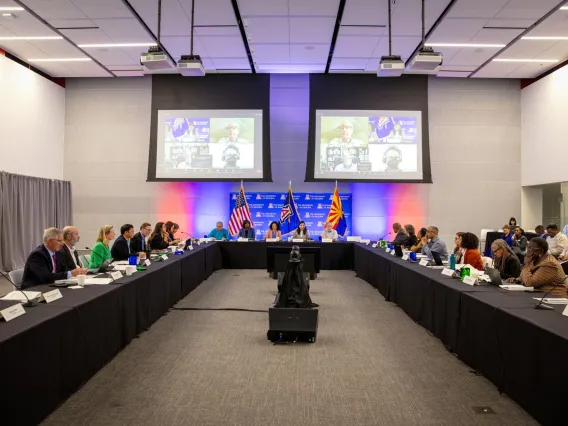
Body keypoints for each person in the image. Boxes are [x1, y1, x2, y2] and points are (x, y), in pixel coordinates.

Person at [21, 228, 88, 289]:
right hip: (34, 289)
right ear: (50, 241)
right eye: (60, 241)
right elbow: (45, 277)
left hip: (51, 286)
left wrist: (78, 271)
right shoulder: (38, 255)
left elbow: (63, 270)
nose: (62, 244)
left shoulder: (58, 253)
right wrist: (71, 273)